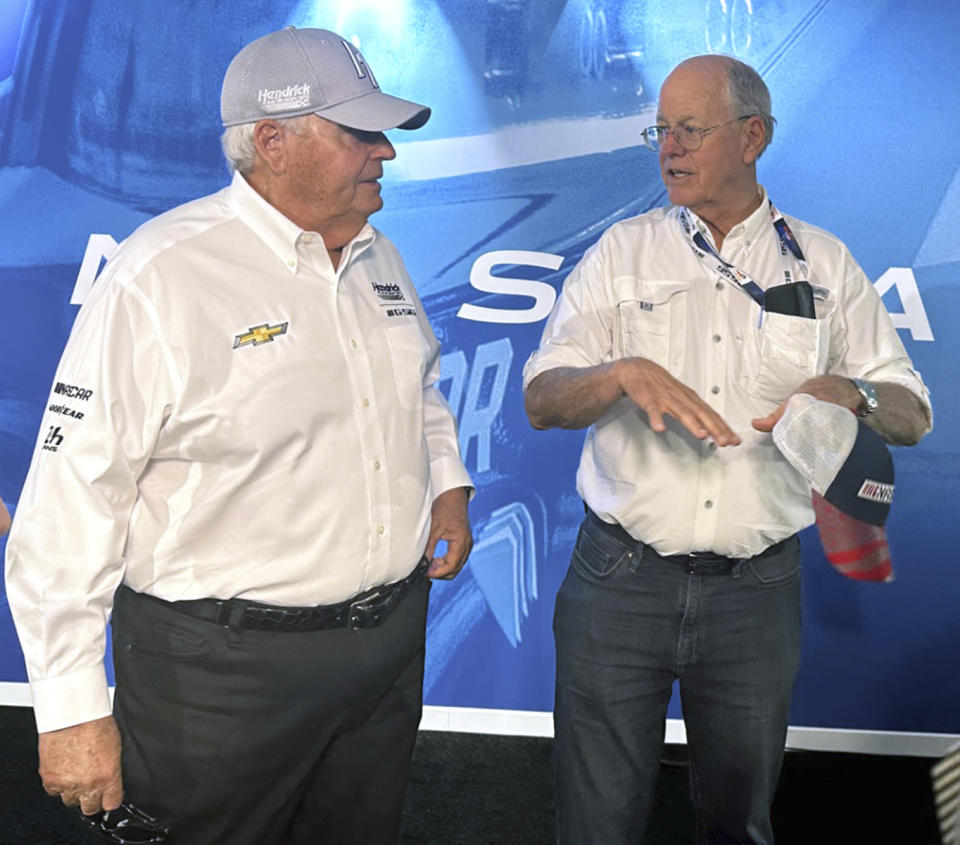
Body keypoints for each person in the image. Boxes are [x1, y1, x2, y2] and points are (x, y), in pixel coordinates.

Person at [4, 26, 472, 845]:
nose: (385, 153)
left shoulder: (379, 257)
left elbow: (419, 391)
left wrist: (447, 482)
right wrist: (71, 710)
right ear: (271, 141)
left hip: (384, 654)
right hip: (221, 677)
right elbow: (69, 502)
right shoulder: (162, 276)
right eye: (360, 132)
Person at [523, 54, 931, 845]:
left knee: (739, 823)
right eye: (660, 130)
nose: (668, 148)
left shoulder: (824, 264)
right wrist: (619, 374)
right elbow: (543, 398)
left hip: (756, 591)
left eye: (689, 130)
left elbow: (911, 411)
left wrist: (855, 393)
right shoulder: (621, 253)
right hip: (619, 580)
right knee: (594, 824)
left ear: (753, 137)